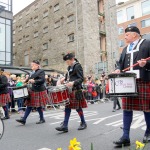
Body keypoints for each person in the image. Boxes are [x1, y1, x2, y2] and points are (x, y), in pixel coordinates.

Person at [113, 26, 150, 146]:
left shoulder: (147, 43)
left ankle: (149, 132)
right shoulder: (124, 49)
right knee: (126, 108)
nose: (125, 37)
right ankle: (125, 136)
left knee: (147, 108)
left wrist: (146, 63)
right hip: (128, 82)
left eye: (127, 34)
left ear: (134, 35)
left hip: (143, 80)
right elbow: (120, 64)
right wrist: (118, 70)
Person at [55, 53, 87, 132]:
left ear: (72, 59)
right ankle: (65, 126)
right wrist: (62, 80)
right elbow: (67, 77)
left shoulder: (77, 66)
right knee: (67, 107)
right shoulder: (69, 67)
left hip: (76, 90)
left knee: (78, 108)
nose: (67, 62)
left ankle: (83, 122)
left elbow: (81, 78)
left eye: (67, 61)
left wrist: (73, 83)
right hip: (69, 90)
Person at [16, 60, 49, 125]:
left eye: (33, 65)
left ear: (37, 65)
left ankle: (41, 119)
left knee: (38, 106)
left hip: (38, 90)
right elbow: (29, 80)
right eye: (31, 65)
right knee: (29, 105)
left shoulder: (41, 71)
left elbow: (42, 80)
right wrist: (25, 80)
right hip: (32, 90)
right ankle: (24, 119)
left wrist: (34, 81)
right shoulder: (32, 73)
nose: (32, 66)